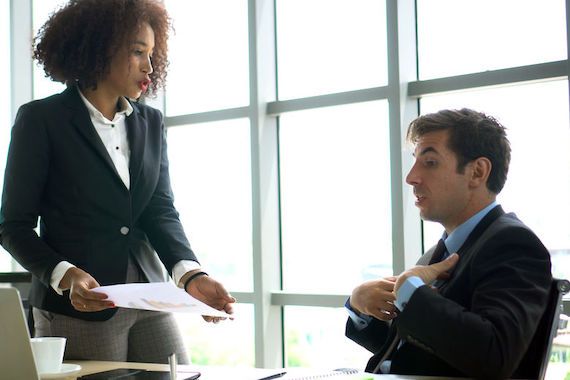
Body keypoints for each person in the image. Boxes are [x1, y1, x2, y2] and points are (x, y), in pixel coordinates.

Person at [0, 0, 235, 364]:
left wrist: (190, 274)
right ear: (99, 47)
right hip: (82, 305)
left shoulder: (150, 122)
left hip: (148, 294)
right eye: (138, 51)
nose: (149, 66)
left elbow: (158, 210)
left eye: (152, 54)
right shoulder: (41, 120)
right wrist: (65, 275)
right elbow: (12, 225)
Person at [345, 108, 552, 379]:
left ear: (477, 172)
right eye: (415, 161)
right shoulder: (438, 252)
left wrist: (411, 289)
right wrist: (360, 306)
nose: (411, 177)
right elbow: (417, 347)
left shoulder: (514, 244)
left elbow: (493, 355)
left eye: (429, 162)